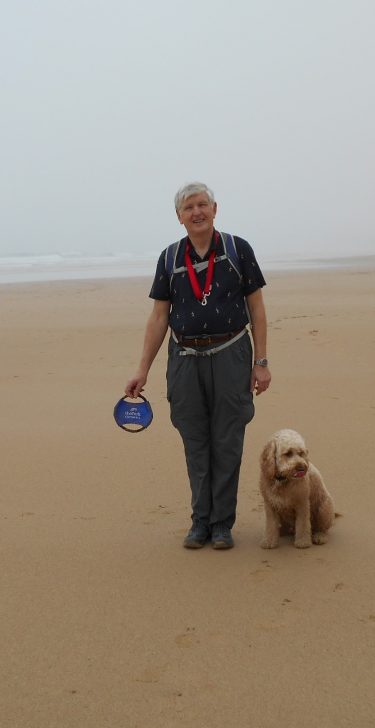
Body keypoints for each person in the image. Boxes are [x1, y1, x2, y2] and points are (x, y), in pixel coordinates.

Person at [125, 182, 271, 550]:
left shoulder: (238, 249)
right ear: (179, 217)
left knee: (228, 440)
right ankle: (200, 521)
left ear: (215, 208)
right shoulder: (170, 258)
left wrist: (261, 362)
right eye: (188, 207)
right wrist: (141, 370)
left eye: (202, 204)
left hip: (232, 356)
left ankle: (222, 524)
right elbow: (159, 317)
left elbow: (257, 308)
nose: (196, 212)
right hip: (185, 360)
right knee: (195, 441)